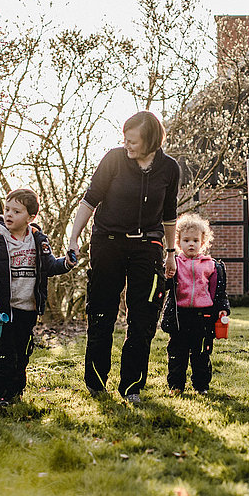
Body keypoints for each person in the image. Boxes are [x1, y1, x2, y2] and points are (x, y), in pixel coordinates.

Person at [67, 111, 181, 403]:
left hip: (148, 247)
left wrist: (171, 252)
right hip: (108, 243)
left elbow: (169, 215)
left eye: (133, 141)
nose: (127, 145)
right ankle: (95, 382)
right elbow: (90, 199)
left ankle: (132, 387)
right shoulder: (114, 159)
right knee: (101, 312)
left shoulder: (169, 169)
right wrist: (73, 237)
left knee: (143, 318)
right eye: (125, 140)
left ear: (151, 141)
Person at [0, 188, 78, 408]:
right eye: (7, 209)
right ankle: (1, 394)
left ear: (31, 217)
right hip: (3, 310)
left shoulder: (39, 242)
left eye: (16, 211)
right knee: (5, 353)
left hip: (28, 310)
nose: (9, 214)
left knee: (22, 352)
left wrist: (66, 263)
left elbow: (49, 266)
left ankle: (16, 391)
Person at [160, 213, 231, 395]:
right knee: (177, 354)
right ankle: (176, 386)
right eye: (186, 240)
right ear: (178, 242)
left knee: (201, 354)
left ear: (202, 242)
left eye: (195, 240)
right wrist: (166, 276)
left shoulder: (211, 265)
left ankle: (201, 386)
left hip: (203, 317)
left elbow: (219, 292)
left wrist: (223, 310)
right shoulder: (174, 263)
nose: (191, 244)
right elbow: (165, 287)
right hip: (180, 316)